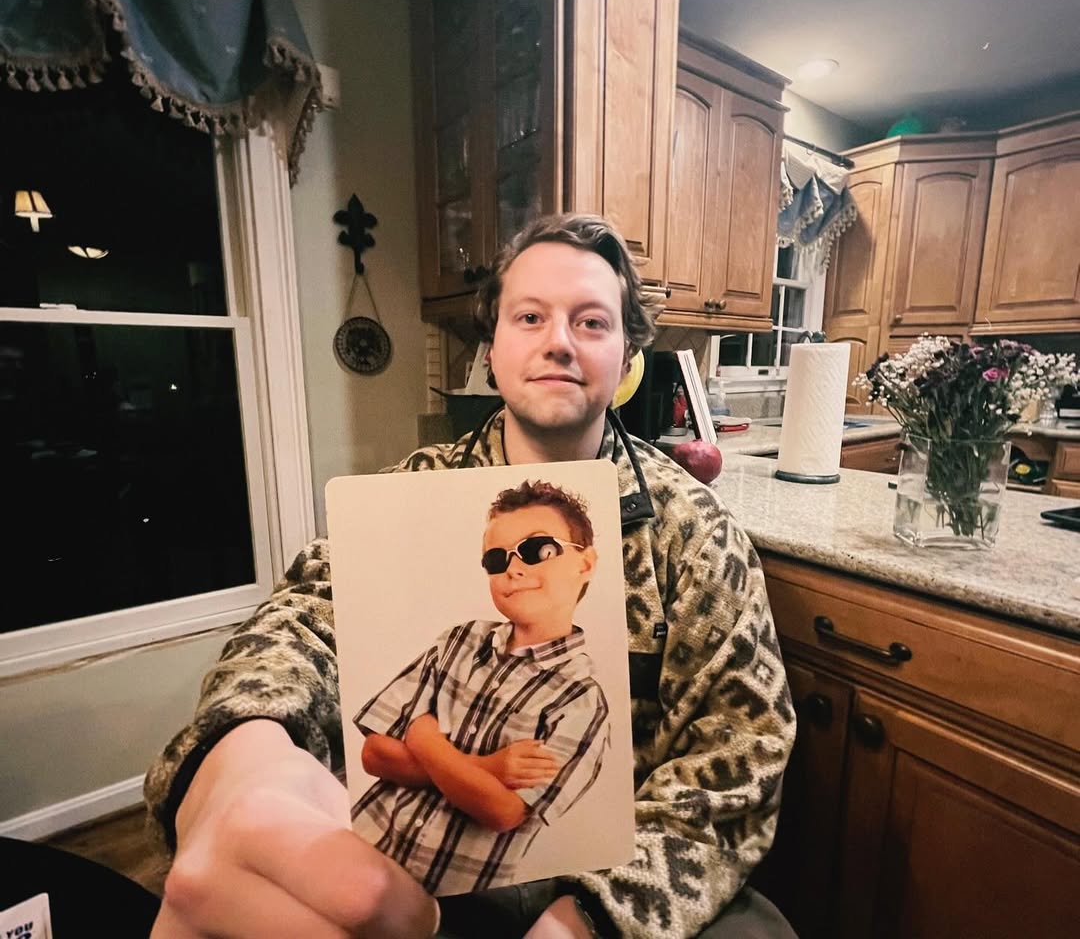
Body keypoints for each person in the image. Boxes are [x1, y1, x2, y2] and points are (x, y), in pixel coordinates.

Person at [145, 213, 797, 939]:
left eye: (591, 322)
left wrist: (594, 914)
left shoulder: (694, 530)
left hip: (628, 869)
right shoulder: (407, 495)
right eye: (530, 317)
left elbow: (743, 751)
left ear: (627, 359)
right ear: (492, 348)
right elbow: (301, 626)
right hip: (420, 868)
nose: (559, 341)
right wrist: (244, 746)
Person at [352, 480, 610, 896]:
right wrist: (490, 768)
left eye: (538, 549)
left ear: (585, 563)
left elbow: (502, 811)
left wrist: (423, 736)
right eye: (496, 558)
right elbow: (374, 754)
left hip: (455, 902)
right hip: (360, 847)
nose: (513, 569)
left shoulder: (581, 701)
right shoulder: (458, 641)